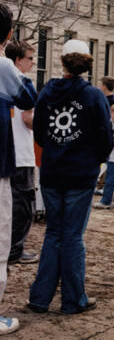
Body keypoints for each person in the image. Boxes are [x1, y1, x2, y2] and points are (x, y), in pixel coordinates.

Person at [28, 39, 114, 314]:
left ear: (62, 61)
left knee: (54, 233)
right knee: (73, 236)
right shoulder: (93, 96)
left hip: (53, 172)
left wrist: (57, 150)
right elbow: (106, 137)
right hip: (80, 174)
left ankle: (40, 298)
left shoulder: (47, 92)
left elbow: (40, 133)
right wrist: (92, 159)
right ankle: (73, 299)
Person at [0, 3, 37, 335]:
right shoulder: (4, 68)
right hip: (0, 166)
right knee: (0, 240)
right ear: (9, 34)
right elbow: (28, 99)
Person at [5, 41, 38, 264]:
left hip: (7, 151)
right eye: (29, 58)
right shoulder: (22, 83)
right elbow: (28, 119)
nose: (33, 62)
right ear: (18, 60)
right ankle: (15, 250)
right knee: (24, 206)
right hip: (22, 153)